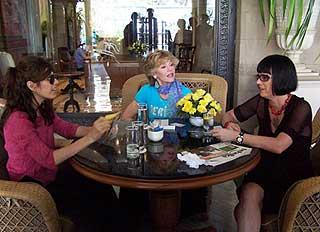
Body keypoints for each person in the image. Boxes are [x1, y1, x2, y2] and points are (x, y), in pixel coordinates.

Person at [0, 56, 123, 231]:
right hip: (32, 184)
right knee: (89, 201)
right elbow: (49, 158)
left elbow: (67, 129)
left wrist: (95, 129)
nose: (56, 82)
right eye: (50, 79)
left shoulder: (42, 106)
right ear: (31, 86)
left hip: (48, 173)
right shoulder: (18, 120)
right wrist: (90, 138)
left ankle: (118, 222)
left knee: (98, 184)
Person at [211, 54, 313, 232]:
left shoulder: (301, 107)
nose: (258, 82)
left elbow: (279, 145)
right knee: (249, 193)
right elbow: (228, 115)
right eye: (258, 76)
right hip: (264, 168)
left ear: (282, 78)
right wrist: (230, 125)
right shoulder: (261, 101)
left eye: (264, 77)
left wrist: (237, 136)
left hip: (292, 176)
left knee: (243, 206)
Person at [122, 49, 192, 121]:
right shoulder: (146, 91)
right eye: (163, 67)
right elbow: (125, 117)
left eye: (171, 65)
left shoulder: (185, 93)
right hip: (152, 132)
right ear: (154, 74)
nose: (170, 69)